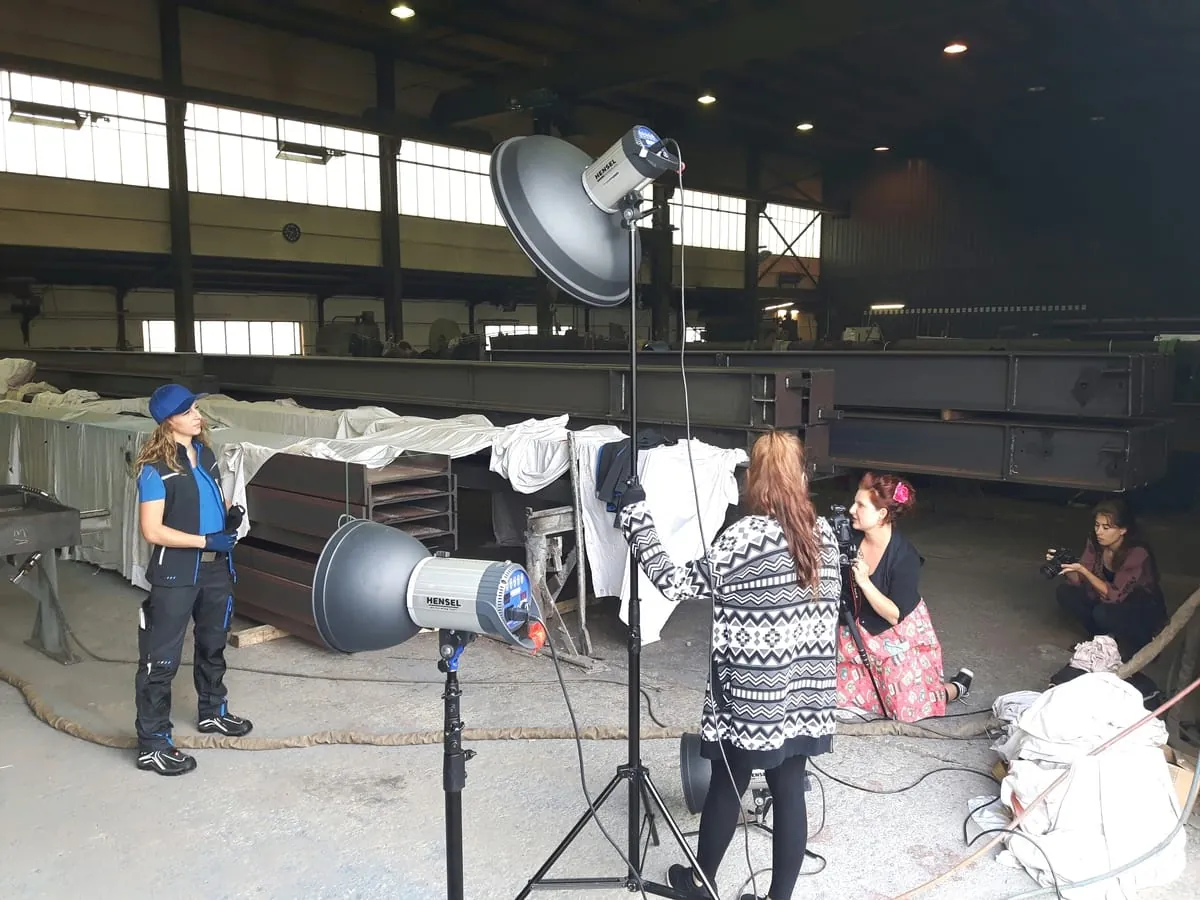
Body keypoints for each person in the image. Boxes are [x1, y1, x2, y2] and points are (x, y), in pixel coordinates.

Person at [617, 430, 840, 900]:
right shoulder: (823, 536)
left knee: (727, 781)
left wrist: (638, 517)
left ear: (754, 480)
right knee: (790, 790)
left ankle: (701, 883)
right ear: (800, 475)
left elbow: (675, 583)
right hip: (805, 694)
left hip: (753, 697)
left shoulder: (745, 538)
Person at [132, 383, 252, 776]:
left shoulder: (205, 454)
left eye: (196, 408)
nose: (198, 416)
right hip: (177, 572)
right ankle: (153, 744)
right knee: (160, 659)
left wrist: (230, 515)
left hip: (217, 568)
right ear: (169, 421)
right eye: (189, 412)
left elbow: (210, 501)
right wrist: (204, 539)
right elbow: (152, 530)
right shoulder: (155, 470)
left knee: (213, 644)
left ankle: (213, 711)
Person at [836, 473, 973, 722]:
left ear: (882, 515)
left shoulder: (905, 556)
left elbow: (894, 614)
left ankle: (953, 689)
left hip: (895, 633)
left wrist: (864, 582)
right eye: (854, 502)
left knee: (906, 709)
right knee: (837, 697)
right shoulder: (849, 540)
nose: (852, 510)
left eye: (861, 505)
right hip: (855, 628)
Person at [1052, 498, 1167, 660]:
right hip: (1108, 601)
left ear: (1123, 530)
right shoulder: (1095, 541)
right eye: (1097, 525)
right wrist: (1066, 566)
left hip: (1139, 606)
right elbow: (1079, 579)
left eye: (1106, 527)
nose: (1099, 532)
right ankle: (1101, 640)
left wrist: (1083, 570)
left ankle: (1140, 644)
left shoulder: (1137, 553)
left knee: (1103, 613)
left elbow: (1114, 596)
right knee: (1065, 593)